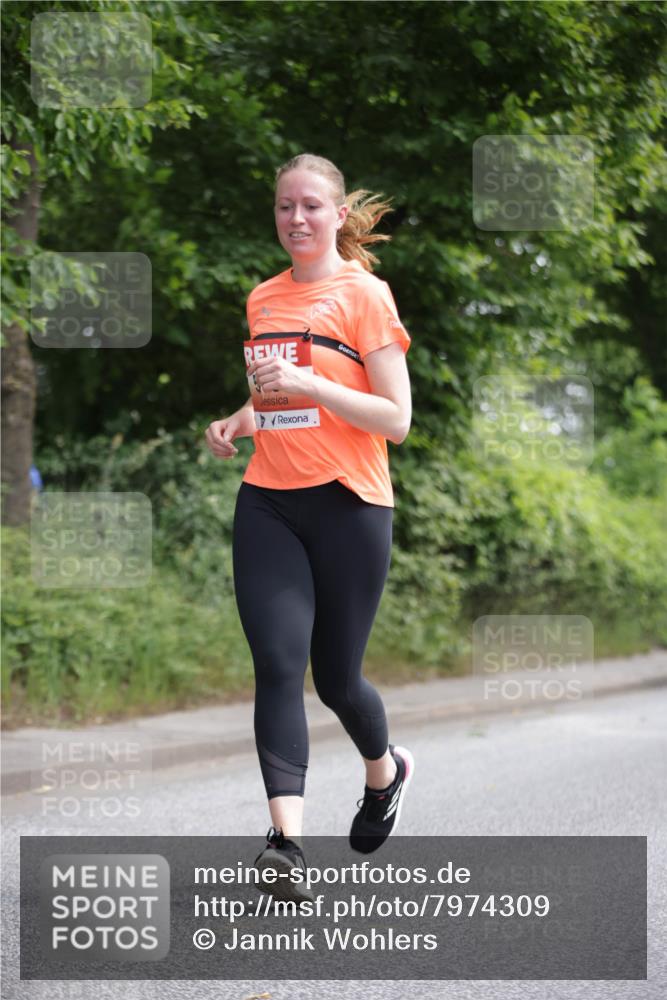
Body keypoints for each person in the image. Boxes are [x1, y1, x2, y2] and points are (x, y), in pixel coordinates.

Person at [204, 153, 414, 901]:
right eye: (285, 207)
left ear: (335, 215)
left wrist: (313, 382)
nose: (296, 219)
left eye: (311, 208)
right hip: (269, 499)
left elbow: (396, 418)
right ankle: (285, 842)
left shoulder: (364, 295)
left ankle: (384, 772)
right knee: (278, 663)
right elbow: (280, 402)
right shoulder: (262, 298)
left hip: (351, 504)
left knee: (337, 680)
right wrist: (240, 418)